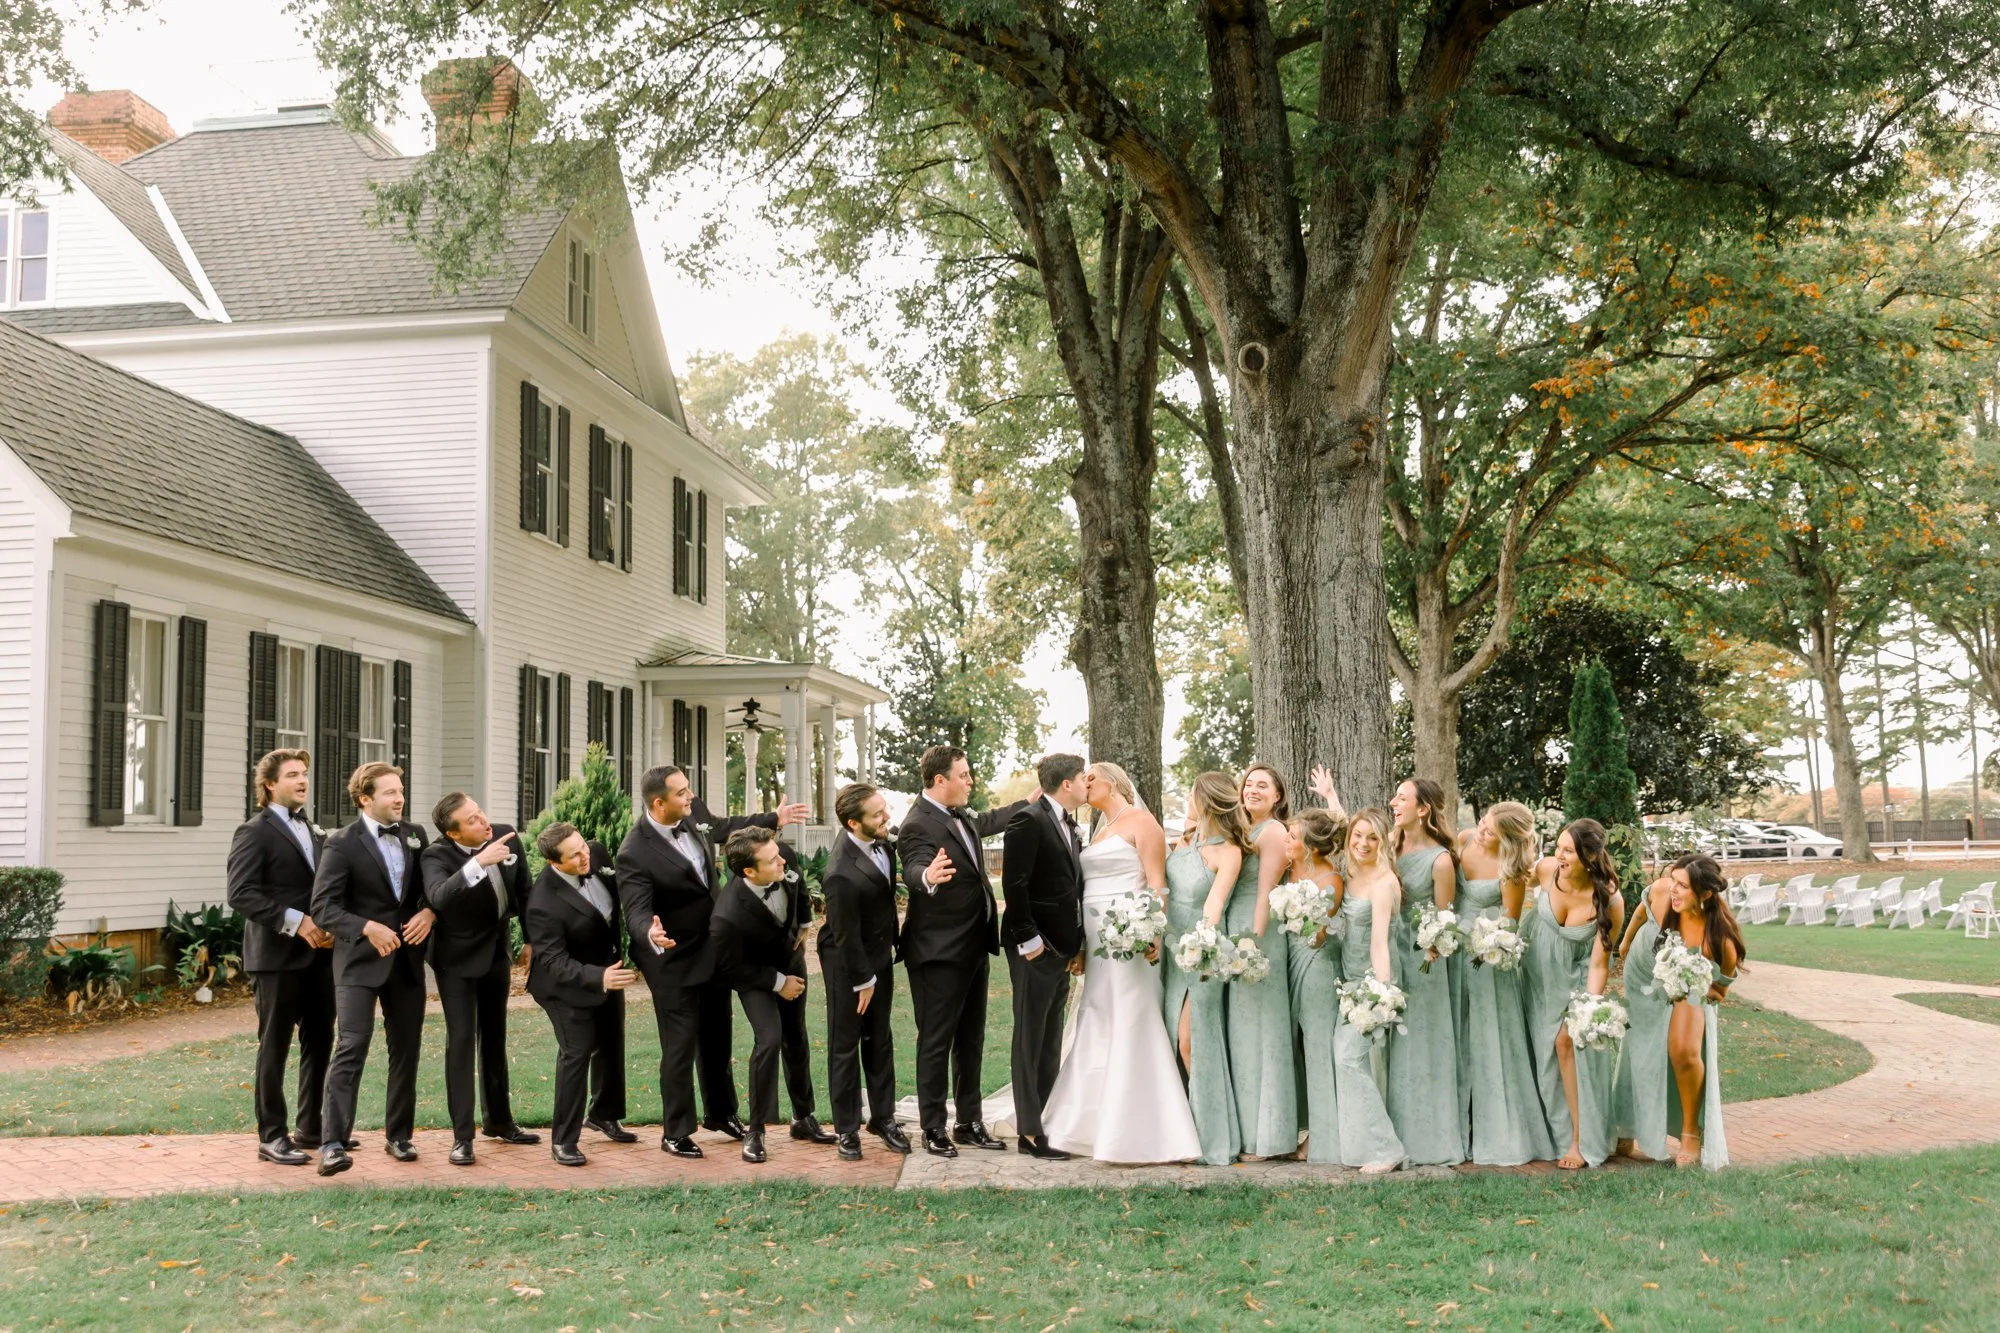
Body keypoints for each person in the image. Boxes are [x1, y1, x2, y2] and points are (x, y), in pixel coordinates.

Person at [616, 765, 804, 1156]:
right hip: (672, 958)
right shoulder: (633, 853)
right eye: (682, 793)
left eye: (688, 790)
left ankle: (721, 1113)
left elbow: (722, 827)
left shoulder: (691, 814)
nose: (691, 796)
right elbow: (635, 909)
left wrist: (772, 818)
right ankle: (675, 1131)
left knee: (718, 1038)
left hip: (715, 950)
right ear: (658, 802)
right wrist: (648, 933)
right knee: (681, 1045)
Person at [1041, 762, 1201, 1164]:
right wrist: (1079, 944)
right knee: (1096, 1015)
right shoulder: (1098, 829)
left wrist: (1152, 932)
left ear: (1111, 782)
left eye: (1089, 777)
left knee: (1130, 1015)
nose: (1083, 784)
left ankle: (1138, 1126)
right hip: (1096, 940)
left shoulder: (1142, 822)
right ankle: (1085, 1122)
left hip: (1130, 938)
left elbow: (1156, 883)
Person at [896, 744, 1028, 1158]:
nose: (970, 781)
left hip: (973, 947)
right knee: (936, 1041)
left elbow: (989, 820)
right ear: (940, 780)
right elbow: (913, 866)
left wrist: (1032, 801)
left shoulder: (961, 815)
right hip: (937, 952)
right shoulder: (917, 824)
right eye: (964, 775)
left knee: (971, 1038)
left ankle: (968, 1121)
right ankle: (933, 1126)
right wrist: (927, 877)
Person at [307, 762, 433, 1176]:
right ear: (365, 798)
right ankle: (332, 1143)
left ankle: (399, 1136)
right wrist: (365, 927)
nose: (399, 798)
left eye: (401, 791)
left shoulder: (415, 835)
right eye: (390, 793)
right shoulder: (341, 844)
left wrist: (430, 911)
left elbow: (426, 892)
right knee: (352, 1046)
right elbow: (323, 908)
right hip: (359, 963)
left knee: (406, 1051)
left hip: (407, 963)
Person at [226, 748, 334, 1166]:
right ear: (270, 784)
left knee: (320, 1040)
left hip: (320, 956)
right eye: (292, 775)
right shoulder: (253, 832)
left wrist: (327, 927)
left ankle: (311, 1127)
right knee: (274, 1046)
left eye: (304, 773)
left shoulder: (314, 829)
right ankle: (271, 1135)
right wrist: (298, 922)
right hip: (275, 958)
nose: (302, 780)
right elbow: (241, 894)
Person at [419, 792, 539, 1166]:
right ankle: (462, 1137)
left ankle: (499, 1121)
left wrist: (533, 939)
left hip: (496, 953)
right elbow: (438, 896)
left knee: (495, 1036)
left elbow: (525, 891)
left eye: (480, 812)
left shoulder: (506, 836)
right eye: (471, 820)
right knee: (461, 1041)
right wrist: (478, 864)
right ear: (453, 834)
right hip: (455, 960)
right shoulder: (436, 856)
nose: (483, 821)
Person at [524, 822, 636, 1167]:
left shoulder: (596, 855)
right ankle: (563, 1140)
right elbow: (555, 962)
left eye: (583, 848)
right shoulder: (542, 904)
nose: (584, 856)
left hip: (607, 973)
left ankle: (604, 1114)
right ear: (554, 863)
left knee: (611, 1042)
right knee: (576, 1052)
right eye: (574, 856)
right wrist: (597, 976)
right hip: (564, 988)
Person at [1455, 801, 1556, 1166]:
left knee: (1488, 1039)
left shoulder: (1511, 871)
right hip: (1453, 951)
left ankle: (1495, 1128)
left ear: (1508, 839)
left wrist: (1488, 945)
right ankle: (1458, 1124)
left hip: (1487, 960)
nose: (1481, 831)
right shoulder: (1465, 839)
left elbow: (1510, 923)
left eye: (1491, 831)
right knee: (1459, 1036)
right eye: (1484, 822)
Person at [709, 827, 815, 1165]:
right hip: (755, 976)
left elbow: (800, 889)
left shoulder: (782, 858)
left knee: (796, 1037)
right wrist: (778, 983)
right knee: (769, 1039)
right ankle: (756, 1130)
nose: (782, 859)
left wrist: (805, 922)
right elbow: (731, 968)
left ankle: (803, 1118)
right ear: (749, 872)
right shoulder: (726, 916)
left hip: (792, 962)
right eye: (772, 860)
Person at [1001, 753, 1089, 1160]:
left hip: (1061, 948)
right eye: (1082, 779)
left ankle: (1048, 1121)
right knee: (1030, 1037)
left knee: (1051, 1038)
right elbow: (1014, 884)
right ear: (1067, 784)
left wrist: (1075, 943)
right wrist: (1027, 939)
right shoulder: (1029, 820)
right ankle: (1029, 1132)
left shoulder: (1068, 824)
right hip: (1034, 948)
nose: (1088, 785)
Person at [1524, 818, 1626, 1169]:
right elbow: (1507, 877)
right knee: (1540, 1054)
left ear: (1590, 856)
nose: (1560, 855)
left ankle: (1580, 1141)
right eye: (1559, 847)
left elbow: (1600, 964)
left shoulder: (1609, 900)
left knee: (1567, 1044)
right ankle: (1551, 1132)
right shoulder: (1547, 871)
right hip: (1536, 977)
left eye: (1569, 850)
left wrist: (1589, 1008)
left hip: (1577, 981)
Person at [818, 782, 912, 1160]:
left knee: (880, 1038)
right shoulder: (840, 871)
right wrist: (862, 980)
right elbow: (843, 933)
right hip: (847, 963)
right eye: (877, 814)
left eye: (884, 808)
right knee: (845, 1044)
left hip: (878, 955)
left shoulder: (883, 845)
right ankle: (846, 1129)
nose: (886, 817)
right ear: (854, 824)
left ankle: (883, 1117)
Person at [1160, 771, 1246, 1165]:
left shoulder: (1229, 850)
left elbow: (1215, 905)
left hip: (1202, 954)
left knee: (1192, 1041)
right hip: (1167, 953)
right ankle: (1177, 1133)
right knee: (1169, 1043)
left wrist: (1201, 944)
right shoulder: (1184, 840)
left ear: (1207, 800)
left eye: (1193, 795)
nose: (1189, 801)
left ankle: (1210, 1136)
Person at [1385, 777, 1465, 1166]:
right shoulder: (1389, 844)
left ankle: (1425, 1137)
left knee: (1419, 1043)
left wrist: (1430, 946)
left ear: (1423, 810)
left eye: (1402, 798)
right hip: (1384, 952)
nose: (1393, 802)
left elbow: (1443, 921)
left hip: (1422, 961)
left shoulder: (1440, 860)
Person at [1226, 764, 1297, 1160]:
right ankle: (1246, 1132)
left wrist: (1251, 946)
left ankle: (1269, 1136)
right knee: (1242, 1035)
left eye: (1262, 786)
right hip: (1235, 933)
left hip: (1259, 937)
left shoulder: (1273, 832)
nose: (1252, 790)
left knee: (1264, 1034)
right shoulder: (1241, 828)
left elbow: (1266, 893)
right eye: (1248, 784)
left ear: (1278, 797)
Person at [1330, 808, 1406, 1173]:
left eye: (1372, 837)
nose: (1362, 843)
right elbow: (1348, 824)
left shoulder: (1382, 882)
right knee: (1345, 1059)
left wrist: (1381, 993)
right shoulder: (1351, 869)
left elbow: (1379, 942)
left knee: (1347, 1058)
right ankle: (1363, 1146)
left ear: (1385, 841)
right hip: (1347, 979)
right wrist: (1331, 797)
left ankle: (1386, 1149)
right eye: (1357, 835)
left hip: (1371, 982)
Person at [1660, 855, 1743, 1170]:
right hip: (1653, 988)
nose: (1674, 891)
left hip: (1694, 999)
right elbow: (1642, 911)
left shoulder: (1720, 938)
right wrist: (1626, 944)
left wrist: (1696, 984)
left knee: (1683, 1051)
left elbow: (1721, 991)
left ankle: (1691, 1131)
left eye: (1683, 886)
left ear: (1705, 894)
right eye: (1673, 881)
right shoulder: (1665, 902)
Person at [1285, 807, 1346, 1165]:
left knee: (1319, 1048)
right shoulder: (1287, 870)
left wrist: (1305, 911)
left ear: (1310, 846)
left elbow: (1318, 935)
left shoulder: (1331, 881)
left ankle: (1324, 1138)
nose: (1286, 841)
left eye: (1293, 837)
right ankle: (1297, 1126)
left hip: (1316, 963)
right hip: (1287, 962)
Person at [1613, 861, 1680, 1164]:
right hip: (1642, 975)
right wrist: (1625, 941)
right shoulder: (1663, 887)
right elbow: (1641, 913)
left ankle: (1626, 1133)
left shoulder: (1680, 895)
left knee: (1645, 1048)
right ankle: (1636, 1134)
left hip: (1661, 978)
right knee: (1644, 1049)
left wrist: (1626, 942)